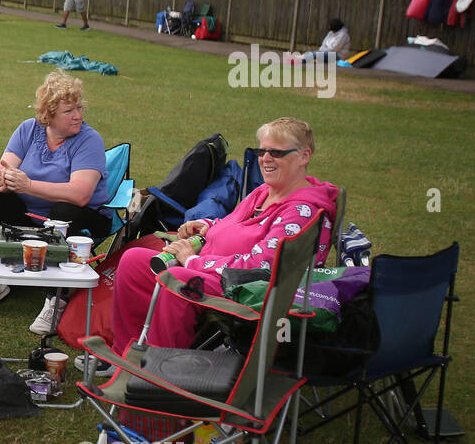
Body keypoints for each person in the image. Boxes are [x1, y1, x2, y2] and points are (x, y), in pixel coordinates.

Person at [106, 117, 338, 386]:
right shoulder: (265, 191)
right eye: (262, 151)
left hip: (252, 290)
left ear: (303, 156)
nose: (265, 159)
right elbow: (233, 224)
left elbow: (261, 268)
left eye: (276, 152)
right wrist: (206, 226)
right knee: (134, 261)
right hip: (219, 270)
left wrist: (193, 261)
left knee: (180, 280)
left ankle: (162, 378)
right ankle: (128, 357)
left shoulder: (302, 211)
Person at [0, 71, 113, 336]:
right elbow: (2, 171)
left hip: (81, 219)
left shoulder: (89, 140)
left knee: (63, 211)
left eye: (79, 107)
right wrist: (1, 179)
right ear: (49, 114)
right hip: (31, 216)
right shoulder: (28, 129)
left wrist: (28, 185)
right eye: (69, 111)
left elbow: (80, 194)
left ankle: (57, 298)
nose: (78, 115)